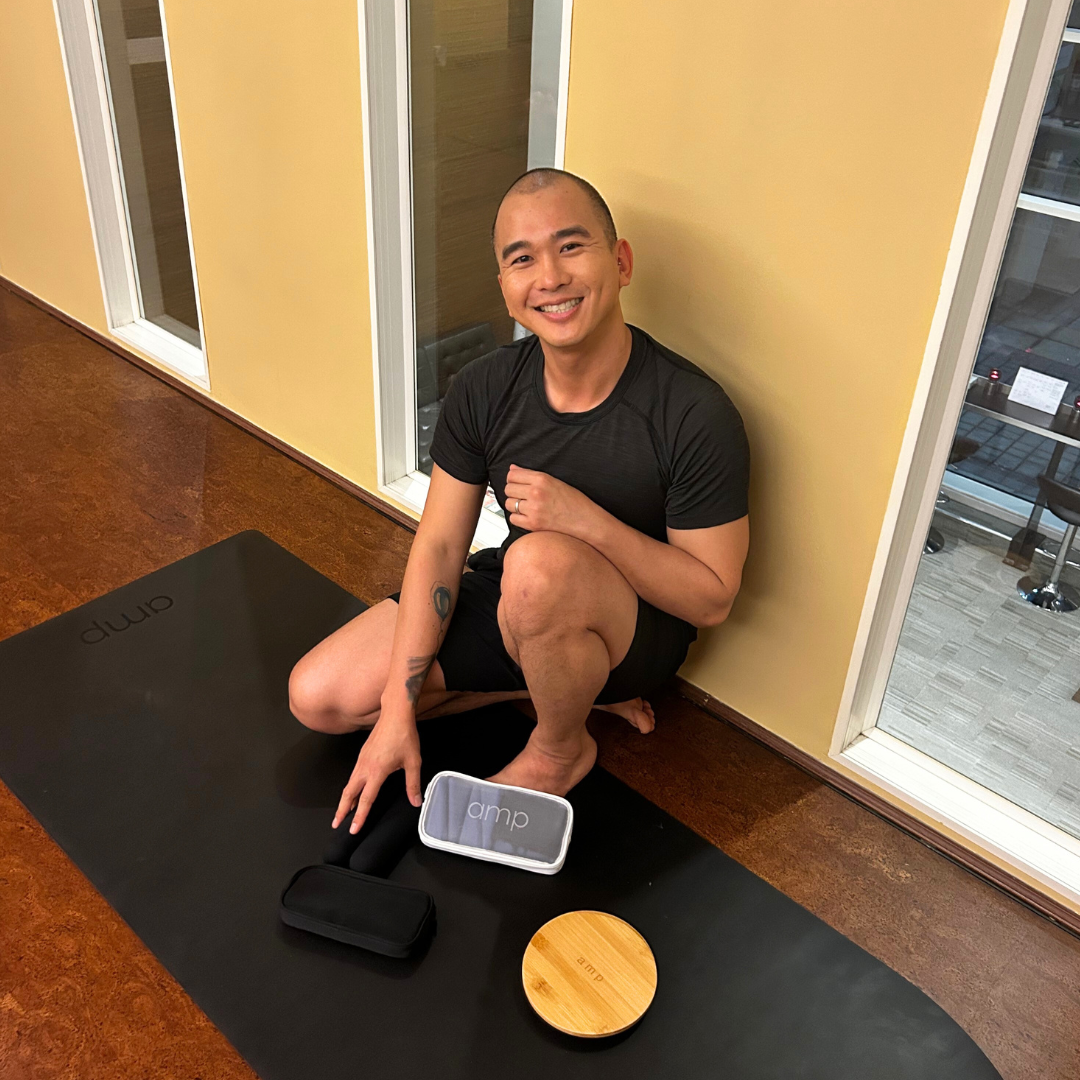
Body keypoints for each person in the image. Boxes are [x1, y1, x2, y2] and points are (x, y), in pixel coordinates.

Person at [288, 168, 750, 836]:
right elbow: (440, 547)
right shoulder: (484, 388)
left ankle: (560, 747)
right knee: (320, 698)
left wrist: (585, 521)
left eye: (571, 247)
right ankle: (561, 688)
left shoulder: (693, 412)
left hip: (634, 633)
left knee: (535, 568)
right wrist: (397, 708)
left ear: (620, 262)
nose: (550, 277)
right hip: (524, 601)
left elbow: (711, 600)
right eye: (522, 259)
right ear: (504, 285)